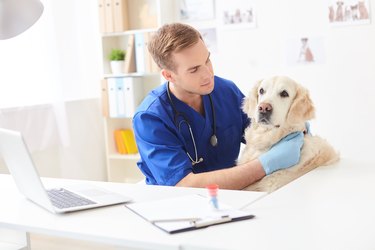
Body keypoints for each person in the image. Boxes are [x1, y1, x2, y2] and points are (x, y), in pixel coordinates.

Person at [133, 23, 304, 189]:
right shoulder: (150, 118)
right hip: (178, 206)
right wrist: (264, 165)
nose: (208, 74)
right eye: (194, 70)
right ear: (169, 75)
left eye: (207, 60)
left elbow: (262, 133)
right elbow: (184, 185)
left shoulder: (226, 91)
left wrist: (293, 126)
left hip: (232, 198)